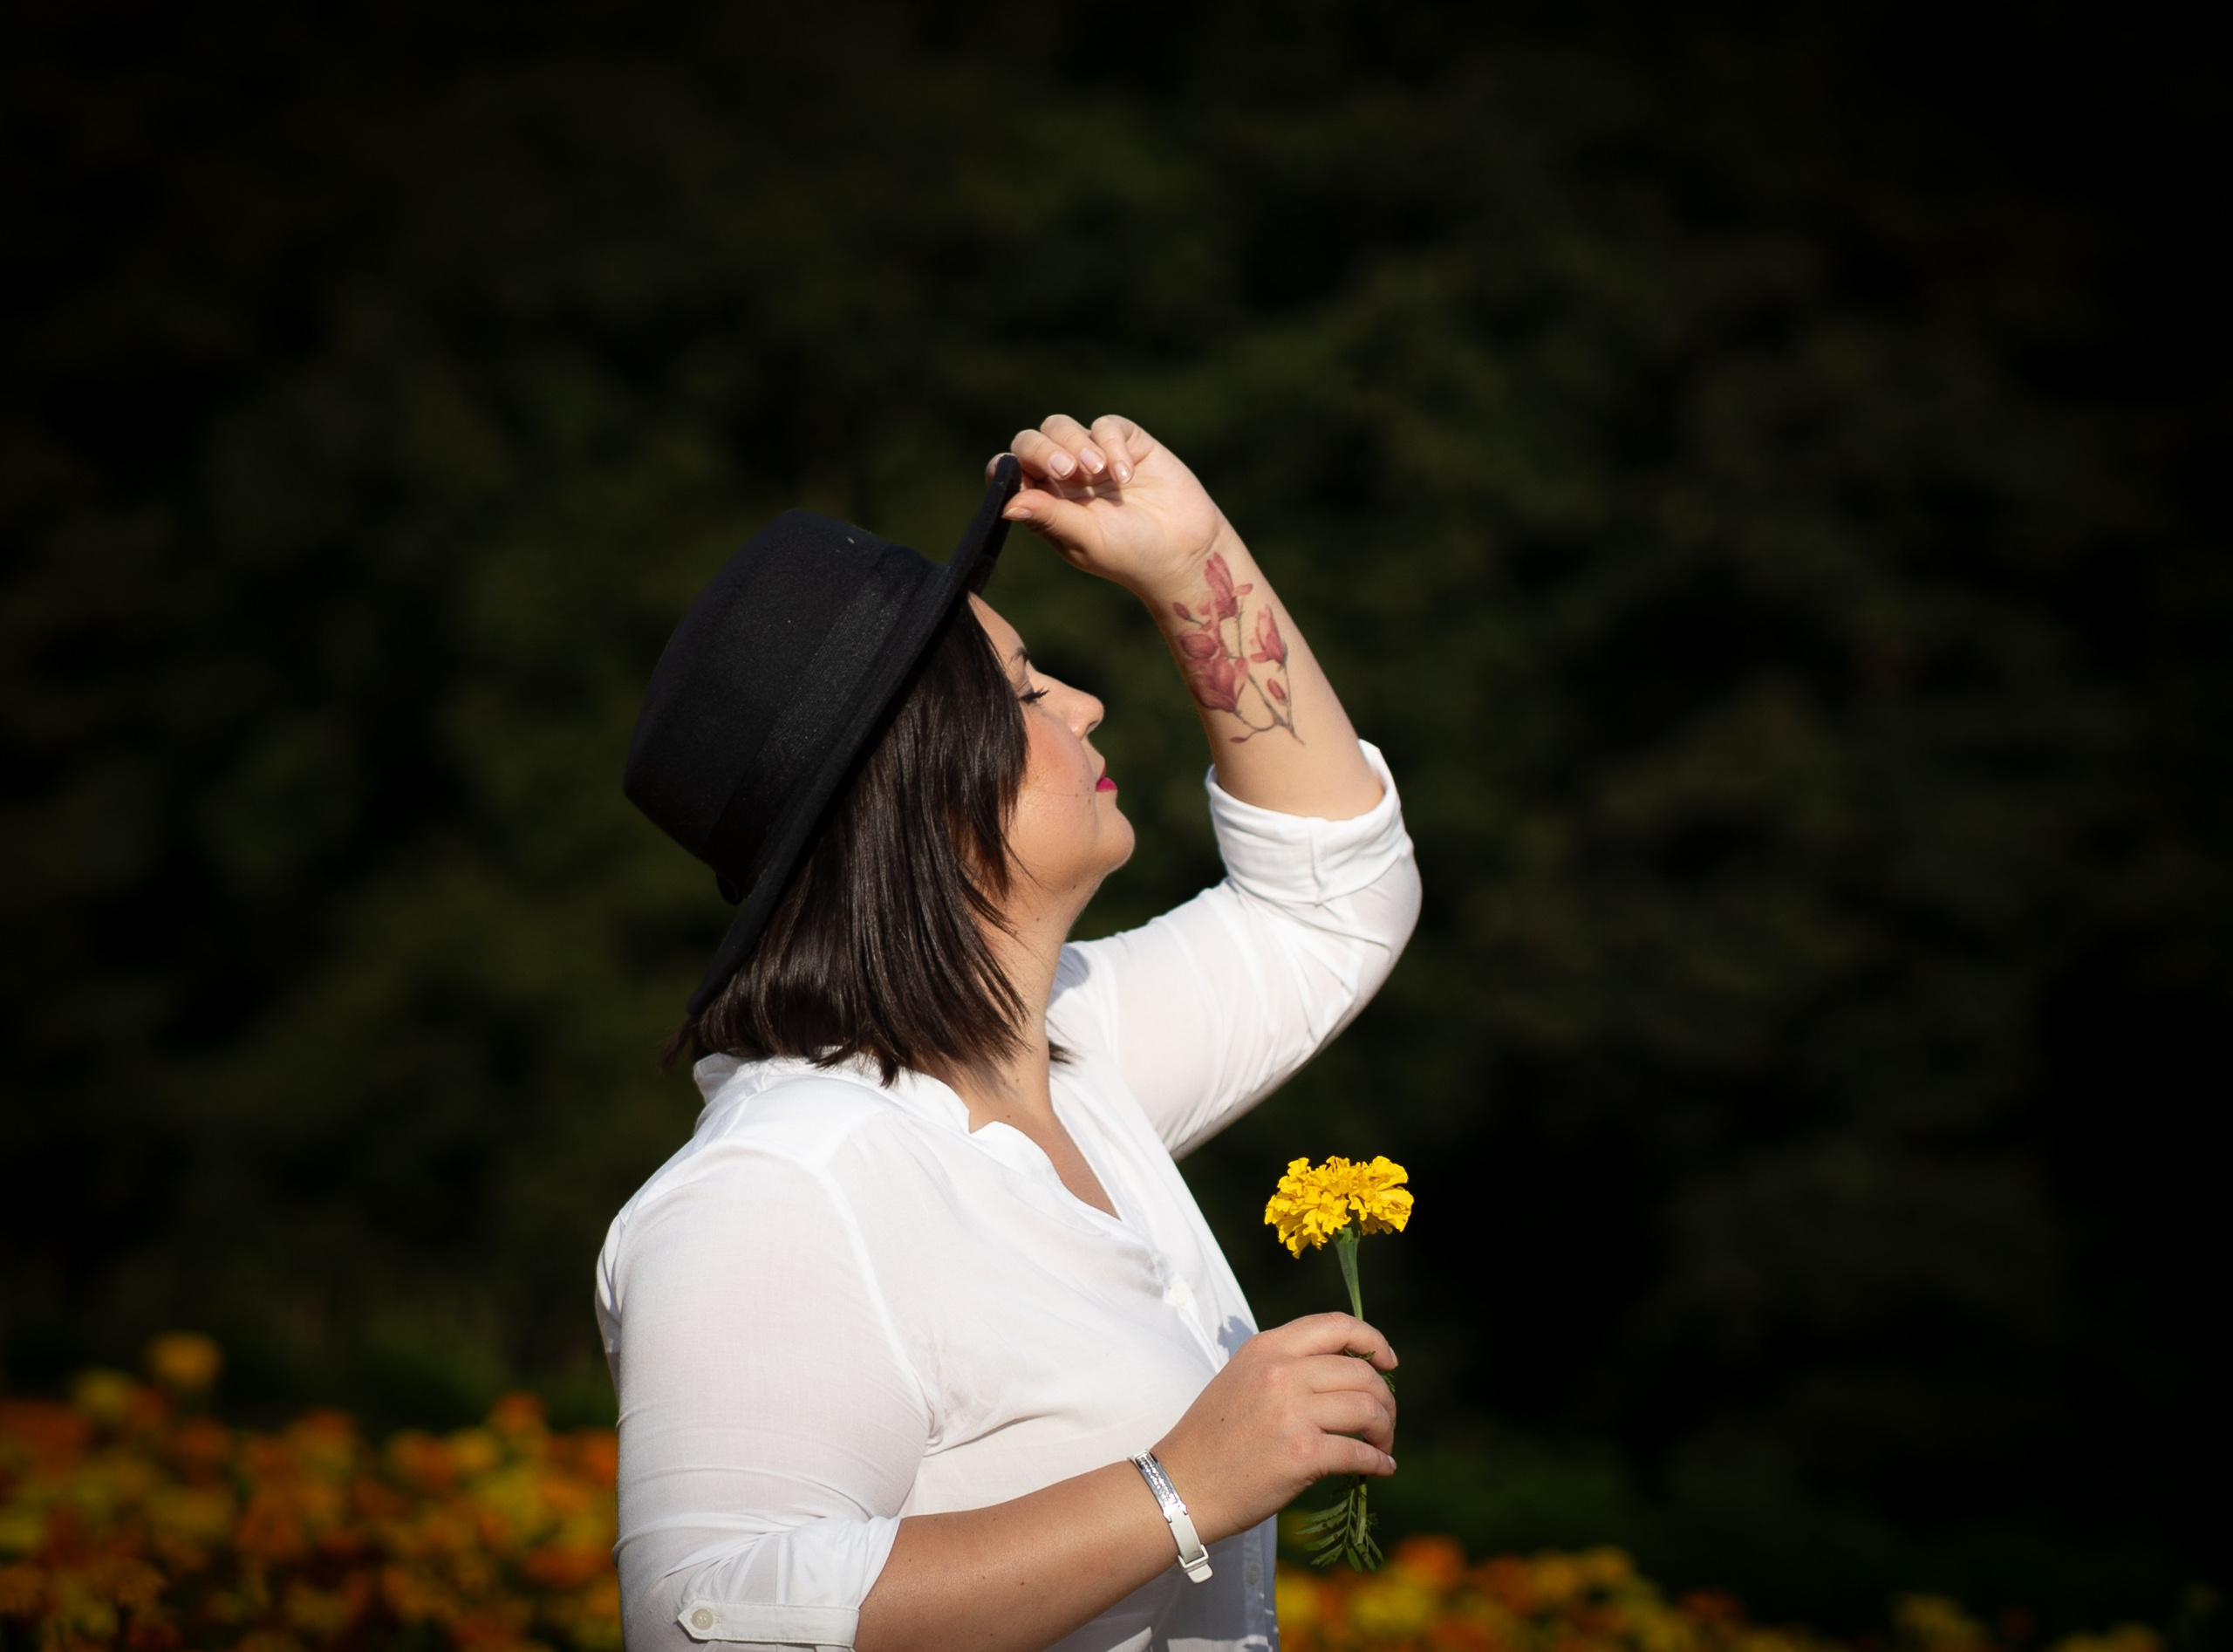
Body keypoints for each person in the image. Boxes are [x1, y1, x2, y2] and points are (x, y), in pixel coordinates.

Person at [599, 413, 1422, 1652]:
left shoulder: (1076, 1063)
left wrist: (1194, 564)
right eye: (1030, 689)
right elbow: (707, 1622)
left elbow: (1335, 900)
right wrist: (1180, 1486)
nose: (1087, 704)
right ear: (925, 784)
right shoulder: (782, 1186)